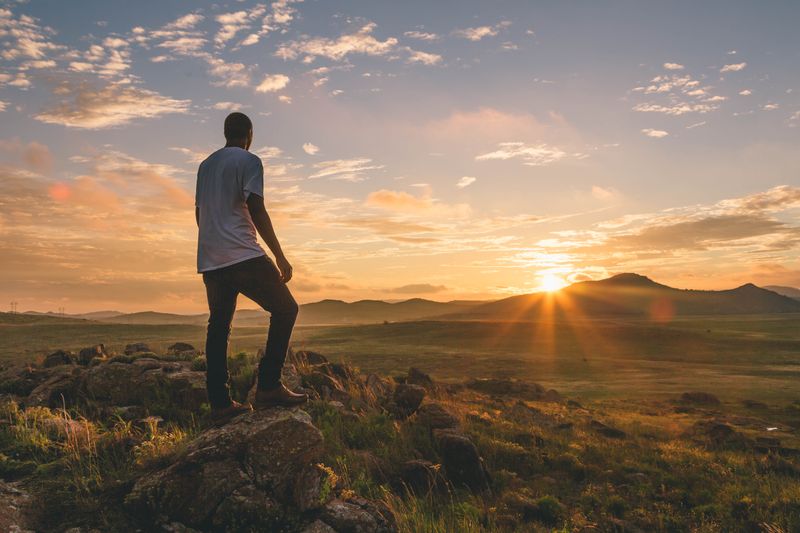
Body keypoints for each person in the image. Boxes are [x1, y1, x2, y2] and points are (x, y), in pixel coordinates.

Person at [195, 112, 307, 419]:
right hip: (242, 254)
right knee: (286, 309)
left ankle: (220, 403)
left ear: (225, 133)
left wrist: (211, 245)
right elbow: (256, 207)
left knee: (219, 327)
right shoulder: (249, 161)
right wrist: (280, 255)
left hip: (210, 259)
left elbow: (199, 214)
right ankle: (269, 386)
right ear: (249, 135)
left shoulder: (205, 166)